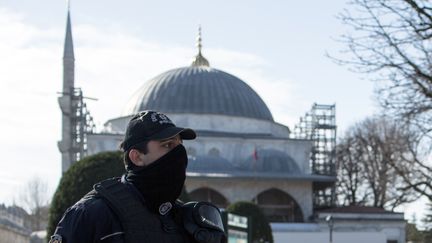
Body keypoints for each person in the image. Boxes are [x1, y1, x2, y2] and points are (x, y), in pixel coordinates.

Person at [50, 110, 226, 243]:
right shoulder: (92, 214)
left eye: (180, 145)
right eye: (168, 145)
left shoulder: (186, 220)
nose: (179, 153)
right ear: (137, 156)